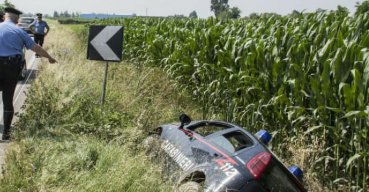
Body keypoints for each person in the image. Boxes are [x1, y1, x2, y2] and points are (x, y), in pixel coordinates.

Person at [0, 7, 57, 140]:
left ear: (4, 17)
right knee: (8, 100)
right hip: (10, 67)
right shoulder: (19, 31)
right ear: (16, 18)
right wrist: (49, 57)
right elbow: (35, 47)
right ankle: (6, 134)